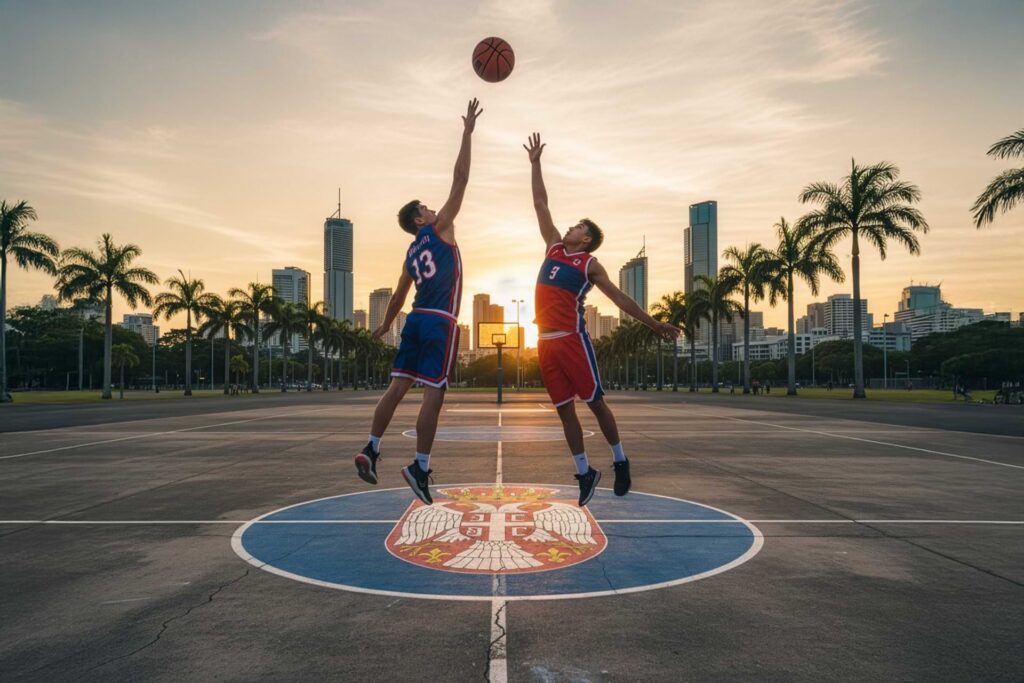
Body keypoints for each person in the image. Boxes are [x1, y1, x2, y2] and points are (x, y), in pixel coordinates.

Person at [524, 133, 680, 507]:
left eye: (577, 226)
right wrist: (535, 164)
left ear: (587, 237)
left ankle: (621, 461)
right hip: (545, 343)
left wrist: (653, 323)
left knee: (595, 403)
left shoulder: (589, 264)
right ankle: (583, 472)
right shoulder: (553, 247)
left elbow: (620, 298)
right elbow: (541, 203)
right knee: (564, 412)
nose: (570, 227)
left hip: (573, 341)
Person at [354, 99, 483, 505]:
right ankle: (419, 467)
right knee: (434, 396)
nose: (432, 207)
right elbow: (460, 180)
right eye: (425, 206)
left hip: (412, 321)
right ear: (419, 219)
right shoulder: (441, 228)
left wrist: (382, 326)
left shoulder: (411, 254)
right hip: (441, 321)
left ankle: (372, 448)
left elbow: (397, 296)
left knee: (396, 388)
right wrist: (466, 134)